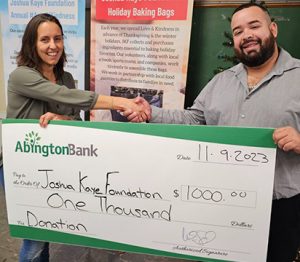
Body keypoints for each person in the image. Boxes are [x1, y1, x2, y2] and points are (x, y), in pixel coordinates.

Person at [127, 2, 300, 262]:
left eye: (254, 26)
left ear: (273, 28)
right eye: (238, 31)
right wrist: (152, 113)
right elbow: (195, 119)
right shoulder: (222, 81)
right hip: (223, 200)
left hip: (280, 206)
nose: (247, 35)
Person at [4, 13, 149, 262]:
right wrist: (120, 101)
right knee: (35, 234)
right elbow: (68, 97)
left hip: (55, 166)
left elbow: (77, 122)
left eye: (57, 39)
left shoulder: (66, 78)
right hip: (23, 168)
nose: (53, 46)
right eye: (45, 40)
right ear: (32, 44)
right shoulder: (21, 76)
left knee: (45, 227)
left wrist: (65, 121)